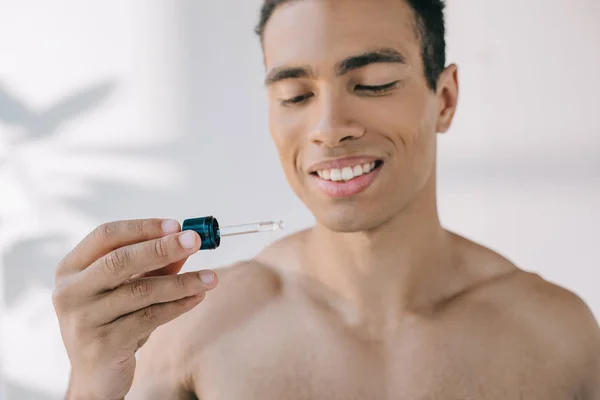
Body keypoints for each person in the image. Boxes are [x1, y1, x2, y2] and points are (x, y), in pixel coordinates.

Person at [52, 0, 600, 398]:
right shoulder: (195, 332)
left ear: (446, 98)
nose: (329, 128)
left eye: (374, 82)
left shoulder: (560, 337)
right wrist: (91, 381)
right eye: (295, 95)